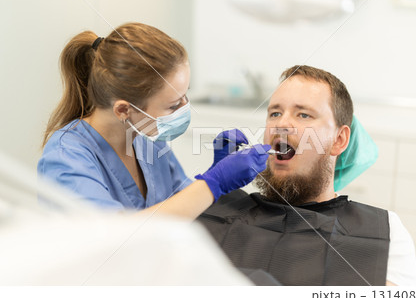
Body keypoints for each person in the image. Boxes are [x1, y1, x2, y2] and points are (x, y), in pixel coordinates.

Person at [197, 65, 416, 286]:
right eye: (275, 113)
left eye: (303, 114)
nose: (281, 124)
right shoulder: (210, 204)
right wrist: (205, 191)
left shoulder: (382, 230)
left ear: (339, 140)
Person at [38, 22, 270, 219]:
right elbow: (113, 239)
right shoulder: (66, 157)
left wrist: (214, 176)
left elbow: (182, 205)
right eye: (173, 105)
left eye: (185, 95)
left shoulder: (146, 139)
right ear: (123, 110)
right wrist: (214, 182)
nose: (185, 108)